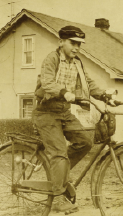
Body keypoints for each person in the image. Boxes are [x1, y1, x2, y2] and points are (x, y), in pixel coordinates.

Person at [33, 25, 110, 212]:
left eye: (79, 44)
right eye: (72, 43)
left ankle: (60, 177)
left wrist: (105, 95)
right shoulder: (51, 59)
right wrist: (64, 92)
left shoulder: (77, 63)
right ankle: (58, 197)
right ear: (61, 42)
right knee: (59, 152)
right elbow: (47, 82)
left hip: (64, 112)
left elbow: (88, 83)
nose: (76, 48)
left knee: (85, 141)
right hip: (46, 112)